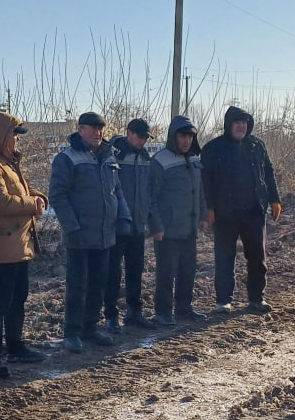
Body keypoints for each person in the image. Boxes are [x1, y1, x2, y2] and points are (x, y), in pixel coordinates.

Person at [0, 112, 49, 378]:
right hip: (4, 243)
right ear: (1, 136)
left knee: (17, 297)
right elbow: (0, 203)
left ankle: (15, 345)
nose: (17, 140)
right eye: (14, 134)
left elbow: (18, 193)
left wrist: (37, 196)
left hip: (18, 242)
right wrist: (32, 205)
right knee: (0, 301)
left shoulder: (6, 162)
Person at [50, 111, 131, 352]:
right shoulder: (67, 158)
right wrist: (71, 226)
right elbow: (58, 195)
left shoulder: (108, 157)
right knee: (77, 284)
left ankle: (90, 327)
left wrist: (123, 217)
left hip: (104, 233)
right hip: (79, 235)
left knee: (98, 282)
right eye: (92, 128)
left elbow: (117, 191)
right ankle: (72, 331)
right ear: (80, 129)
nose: (98, 133)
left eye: (100, 129)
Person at [201, 106, 282, 314]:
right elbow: (205, 182)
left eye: (244, 123)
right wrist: (208, 208)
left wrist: (274, 199)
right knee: (224, 258)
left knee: (257, 257)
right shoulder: (212, 148)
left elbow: (268, 172)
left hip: (254, 211)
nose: (241, 127)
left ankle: (257, 298)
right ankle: (223, 301)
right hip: (224, 213)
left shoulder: (257, 146)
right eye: (237, 123)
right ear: (228, 125)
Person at [148, 116, 209, 326]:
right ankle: (163, 312)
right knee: (166, 273)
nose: (186, 141)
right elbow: (151, 197)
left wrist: (202, 217)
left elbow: (200, 191)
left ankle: (184, 308)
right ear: (174, 137)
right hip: (167, 230)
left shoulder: (194, 159)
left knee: (188, 271)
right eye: (183, 136)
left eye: (190, 136)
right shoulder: (160, 160)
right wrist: (156, 226)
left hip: (189, 228)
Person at [105, 118, 155, 331]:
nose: (143, 140)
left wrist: (149, 219)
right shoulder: (113, 154)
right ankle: (110, 316)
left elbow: (149, 192)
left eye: (146, 137)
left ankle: (135, 311)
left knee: (136, 269)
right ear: (129, 133)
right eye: (140, 136)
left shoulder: (145, 158)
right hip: (117, 225)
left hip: (138, 225)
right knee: (113, 273)